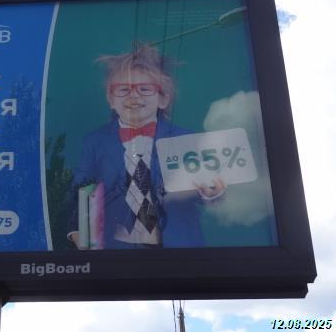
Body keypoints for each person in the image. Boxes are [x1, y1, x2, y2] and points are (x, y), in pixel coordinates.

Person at [68, 43, 224, 249]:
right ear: (110, 99)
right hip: (118, 249)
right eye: (124, 89)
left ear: (163, 99)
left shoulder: (186, 139)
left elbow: (203, 191)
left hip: (179, 248)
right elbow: (82, 190)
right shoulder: (95, 142)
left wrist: (211, 192)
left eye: (144, 89)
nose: (134, 95)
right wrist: (80, 234)